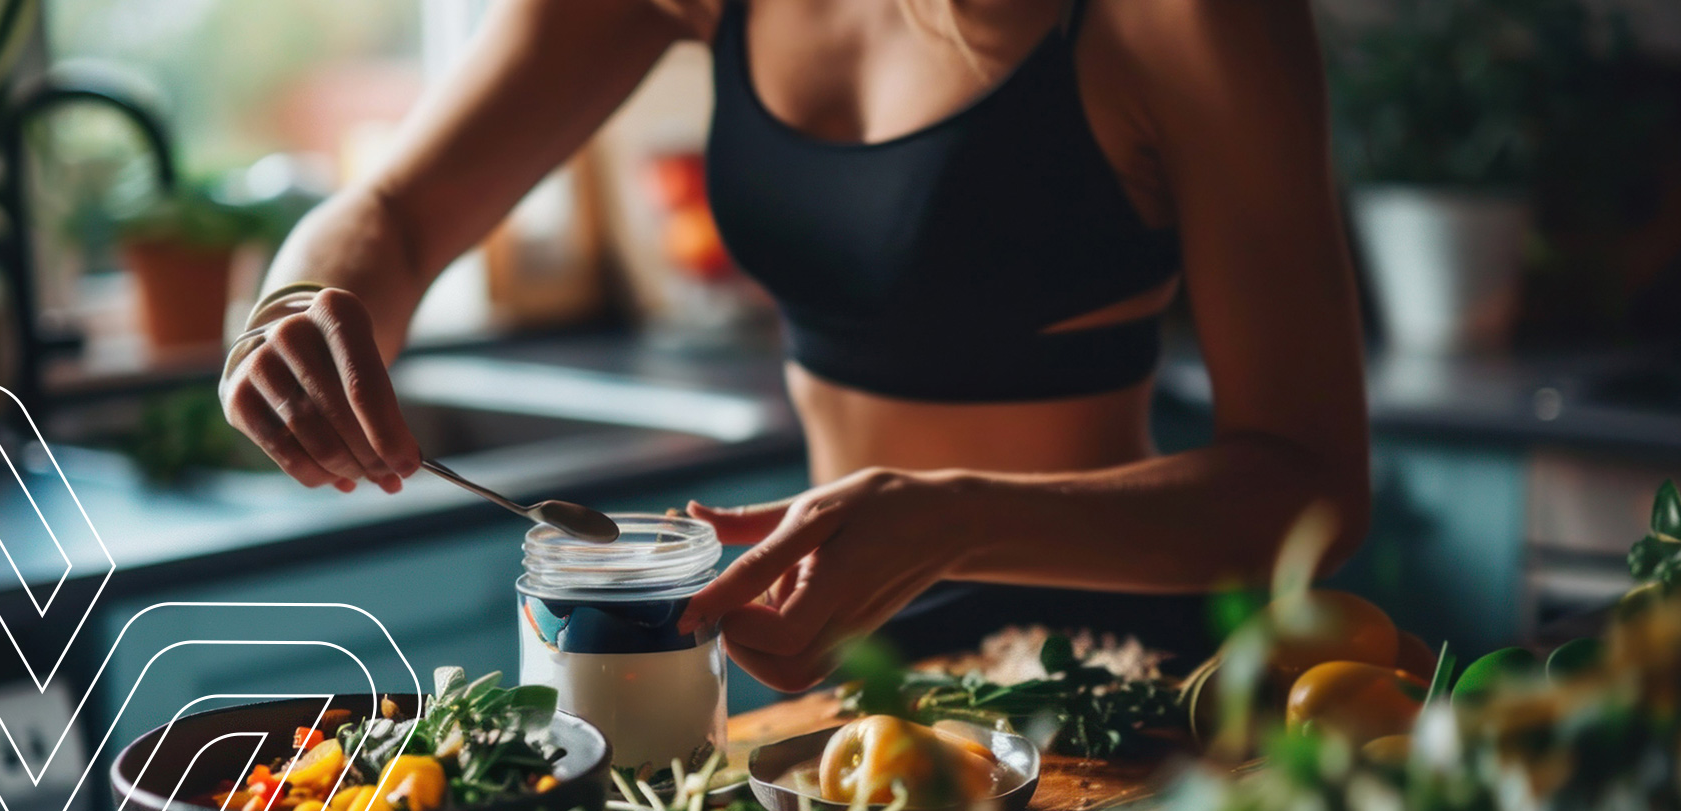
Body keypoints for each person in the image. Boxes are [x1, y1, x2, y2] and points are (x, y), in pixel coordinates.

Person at [218, 0, 1370, 689]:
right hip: (840, 674)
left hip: (1110, 685)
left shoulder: (1184, 19)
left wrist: (960, 517)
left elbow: (1312, 486)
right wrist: (301, 301)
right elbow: (399, 212)